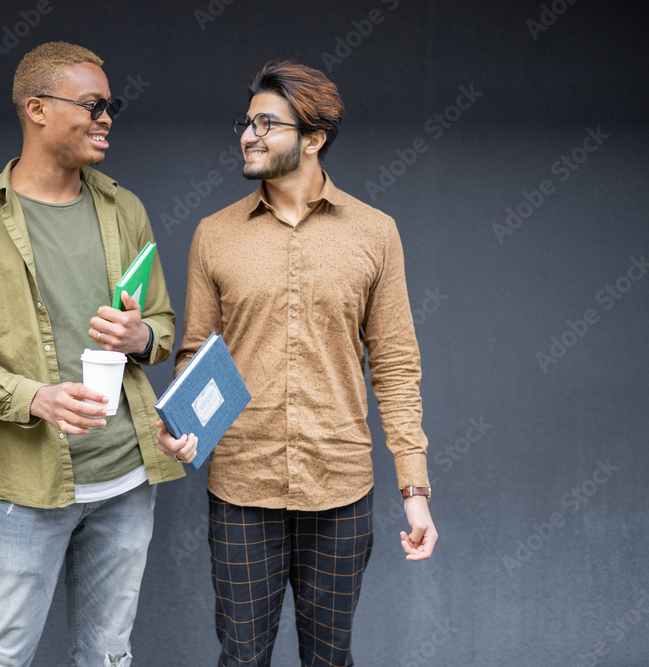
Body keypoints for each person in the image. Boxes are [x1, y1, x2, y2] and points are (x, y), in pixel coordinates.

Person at [157, 60, 439, 666]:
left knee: (331, 659)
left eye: (267, 123)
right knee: (241, 658)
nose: (248, 134)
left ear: (313, 139)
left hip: (340, 488)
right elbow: (195, 353)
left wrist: (414, 489)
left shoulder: (375, 232)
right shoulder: (214, 233)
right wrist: (184, 426)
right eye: (246, 121)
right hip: (241, 488)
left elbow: (394, 363)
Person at [0, 41, 184, 667]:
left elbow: (162, 327)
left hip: (129, 476)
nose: (107, 118)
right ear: (36, 109)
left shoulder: (125, 209)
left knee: (107, 656)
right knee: (0, 655)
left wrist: (141, 338)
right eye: (93, 105)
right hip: (31, 483)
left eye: (111, 105)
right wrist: (36, 398)